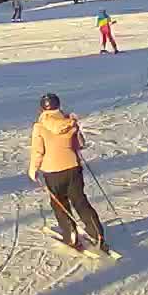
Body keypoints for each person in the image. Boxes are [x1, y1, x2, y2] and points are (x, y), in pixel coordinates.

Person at [28, 93, 110, 254]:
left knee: (59, 203)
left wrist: (33, 169)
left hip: (52, 172)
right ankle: (97, 233)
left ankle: (70, 234)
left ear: (42, 108)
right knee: (80, 201)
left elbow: (38, 151)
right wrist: (74, 126)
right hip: (73, 168)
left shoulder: (39, 126)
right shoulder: (69, 122)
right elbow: (81, 143)